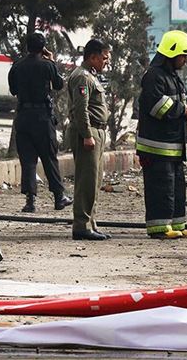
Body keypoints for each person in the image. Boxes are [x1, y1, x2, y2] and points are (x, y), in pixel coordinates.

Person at [137, 30, 187, 239]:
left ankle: (177, 224)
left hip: (172, 146)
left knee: (176, 188)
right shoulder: (154, 76)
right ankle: (160, 229)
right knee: (160, 188)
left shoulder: (172, 76)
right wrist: (182, 109)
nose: (186, 60)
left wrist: (185, 107)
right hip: (157, 147)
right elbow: (156, 106)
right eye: (183, 55)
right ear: (171, 54)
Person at [8, 32, 72, 213]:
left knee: (28, 160)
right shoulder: (47, 65)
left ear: (27, 47)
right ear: (43, 48)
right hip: (42, 117)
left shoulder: (17, 66)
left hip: (23, 116)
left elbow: (13, 90)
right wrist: (51, 61)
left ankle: (30, 201)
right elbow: (59, 84)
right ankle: (59, 197)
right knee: (49, 157)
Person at [66, 39, 111, 241]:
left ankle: (90, 223)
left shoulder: (91, 76)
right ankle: (81, 226)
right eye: (104, 58)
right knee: (86, 181)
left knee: (94, 181)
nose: (106, 62)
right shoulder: (82, 77)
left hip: (97, 131)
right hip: (88, 132)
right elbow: (80, 109)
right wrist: (87, 135)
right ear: (92, 57)